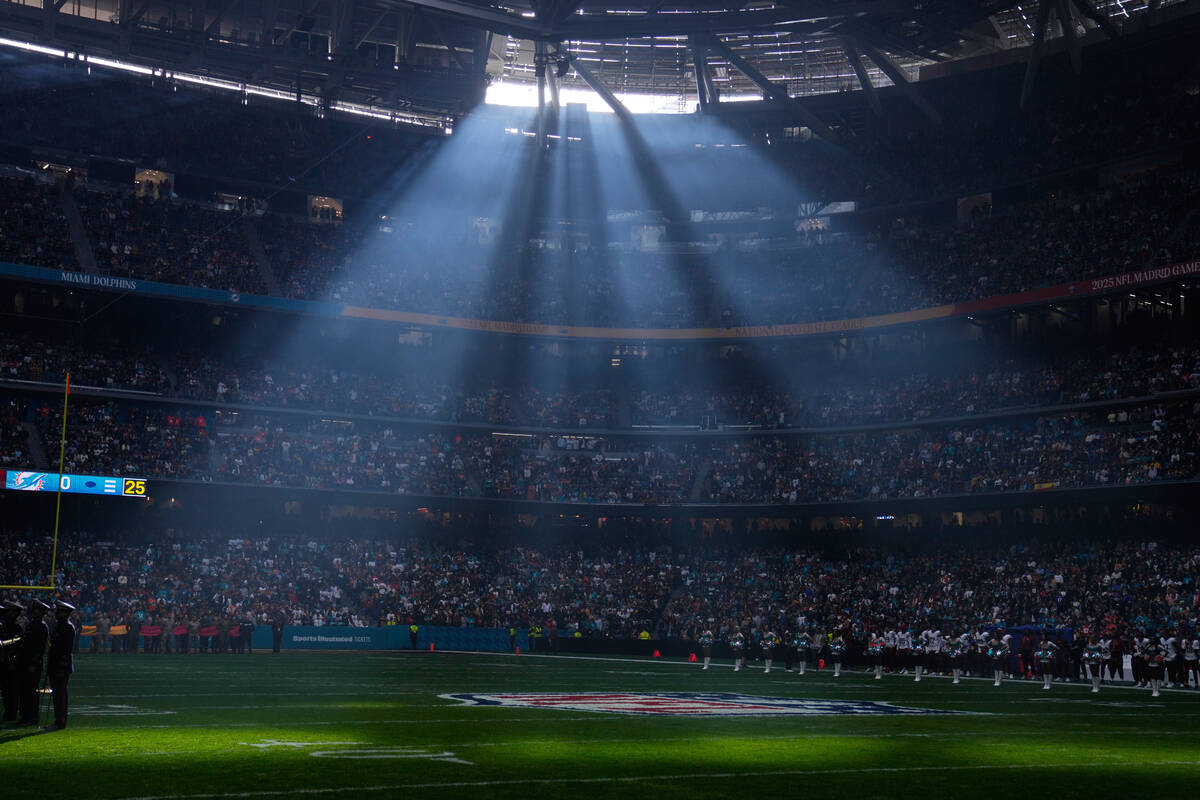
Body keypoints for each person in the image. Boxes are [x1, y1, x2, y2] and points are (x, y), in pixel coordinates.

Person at [16, 600, 50, 726]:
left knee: (31, 692)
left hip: (33, 664)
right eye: (34, 609)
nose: (34, 611)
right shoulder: (32, 624)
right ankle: (25, 716)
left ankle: (32, 717)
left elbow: (40, 648)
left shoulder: (41, 626)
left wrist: (34, 663)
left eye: (37, 610)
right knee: (24, 691)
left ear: (41, 612)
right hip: (25, 662)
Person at [47, 600, 76, 730]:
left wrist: (61, 666)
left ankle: (61, 721)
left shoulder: (68, 627)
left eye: (60, 611)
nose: (57, 613)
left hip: (61, 666)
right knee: (56, 695)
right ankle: (57, 719)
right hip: (55, 664)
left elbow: (66, 649)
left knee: (60, 695)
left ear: (66, 613)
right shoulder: (59, 625)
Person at [1, 600, 24, 722]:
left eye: (10, 611)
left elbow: (17, 642)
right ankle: (7, 712)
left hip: (12, 662)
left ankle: (11, 713)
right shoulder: (4, 625)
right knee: (5, 690)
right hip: (4, 661)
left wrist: (3, 644)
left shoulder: (17, 627)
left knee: (12, 690)